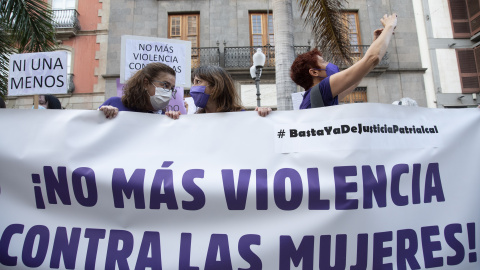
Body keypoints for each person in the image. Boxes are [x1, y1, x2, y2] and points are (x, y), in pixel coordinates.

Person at [291, 13, 397, 109]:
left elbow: (354, 80)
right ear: (314, 72)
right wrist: (389, 26)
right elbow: (373, 59)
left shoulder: (316, 97)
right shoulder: (322, 89)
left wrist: (376, 43)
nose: (329, 64)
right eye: (323, 62)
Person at [166, 65, 271, 119]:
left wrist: (263, 114)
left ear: (216, 86)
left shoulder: (241, 117)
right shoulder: (195, 120)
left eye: (198, 81)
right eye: (193, 82)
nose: (193, 87)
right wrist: (173, 118)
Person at [99, 62, 176, 118]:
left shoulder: (164, 117)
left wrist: (173, 121)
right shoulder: (115, 103)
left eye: (172, 88)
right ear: (146, 83)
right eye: (165, 85)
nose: (169, 91)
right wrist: (101, 114)